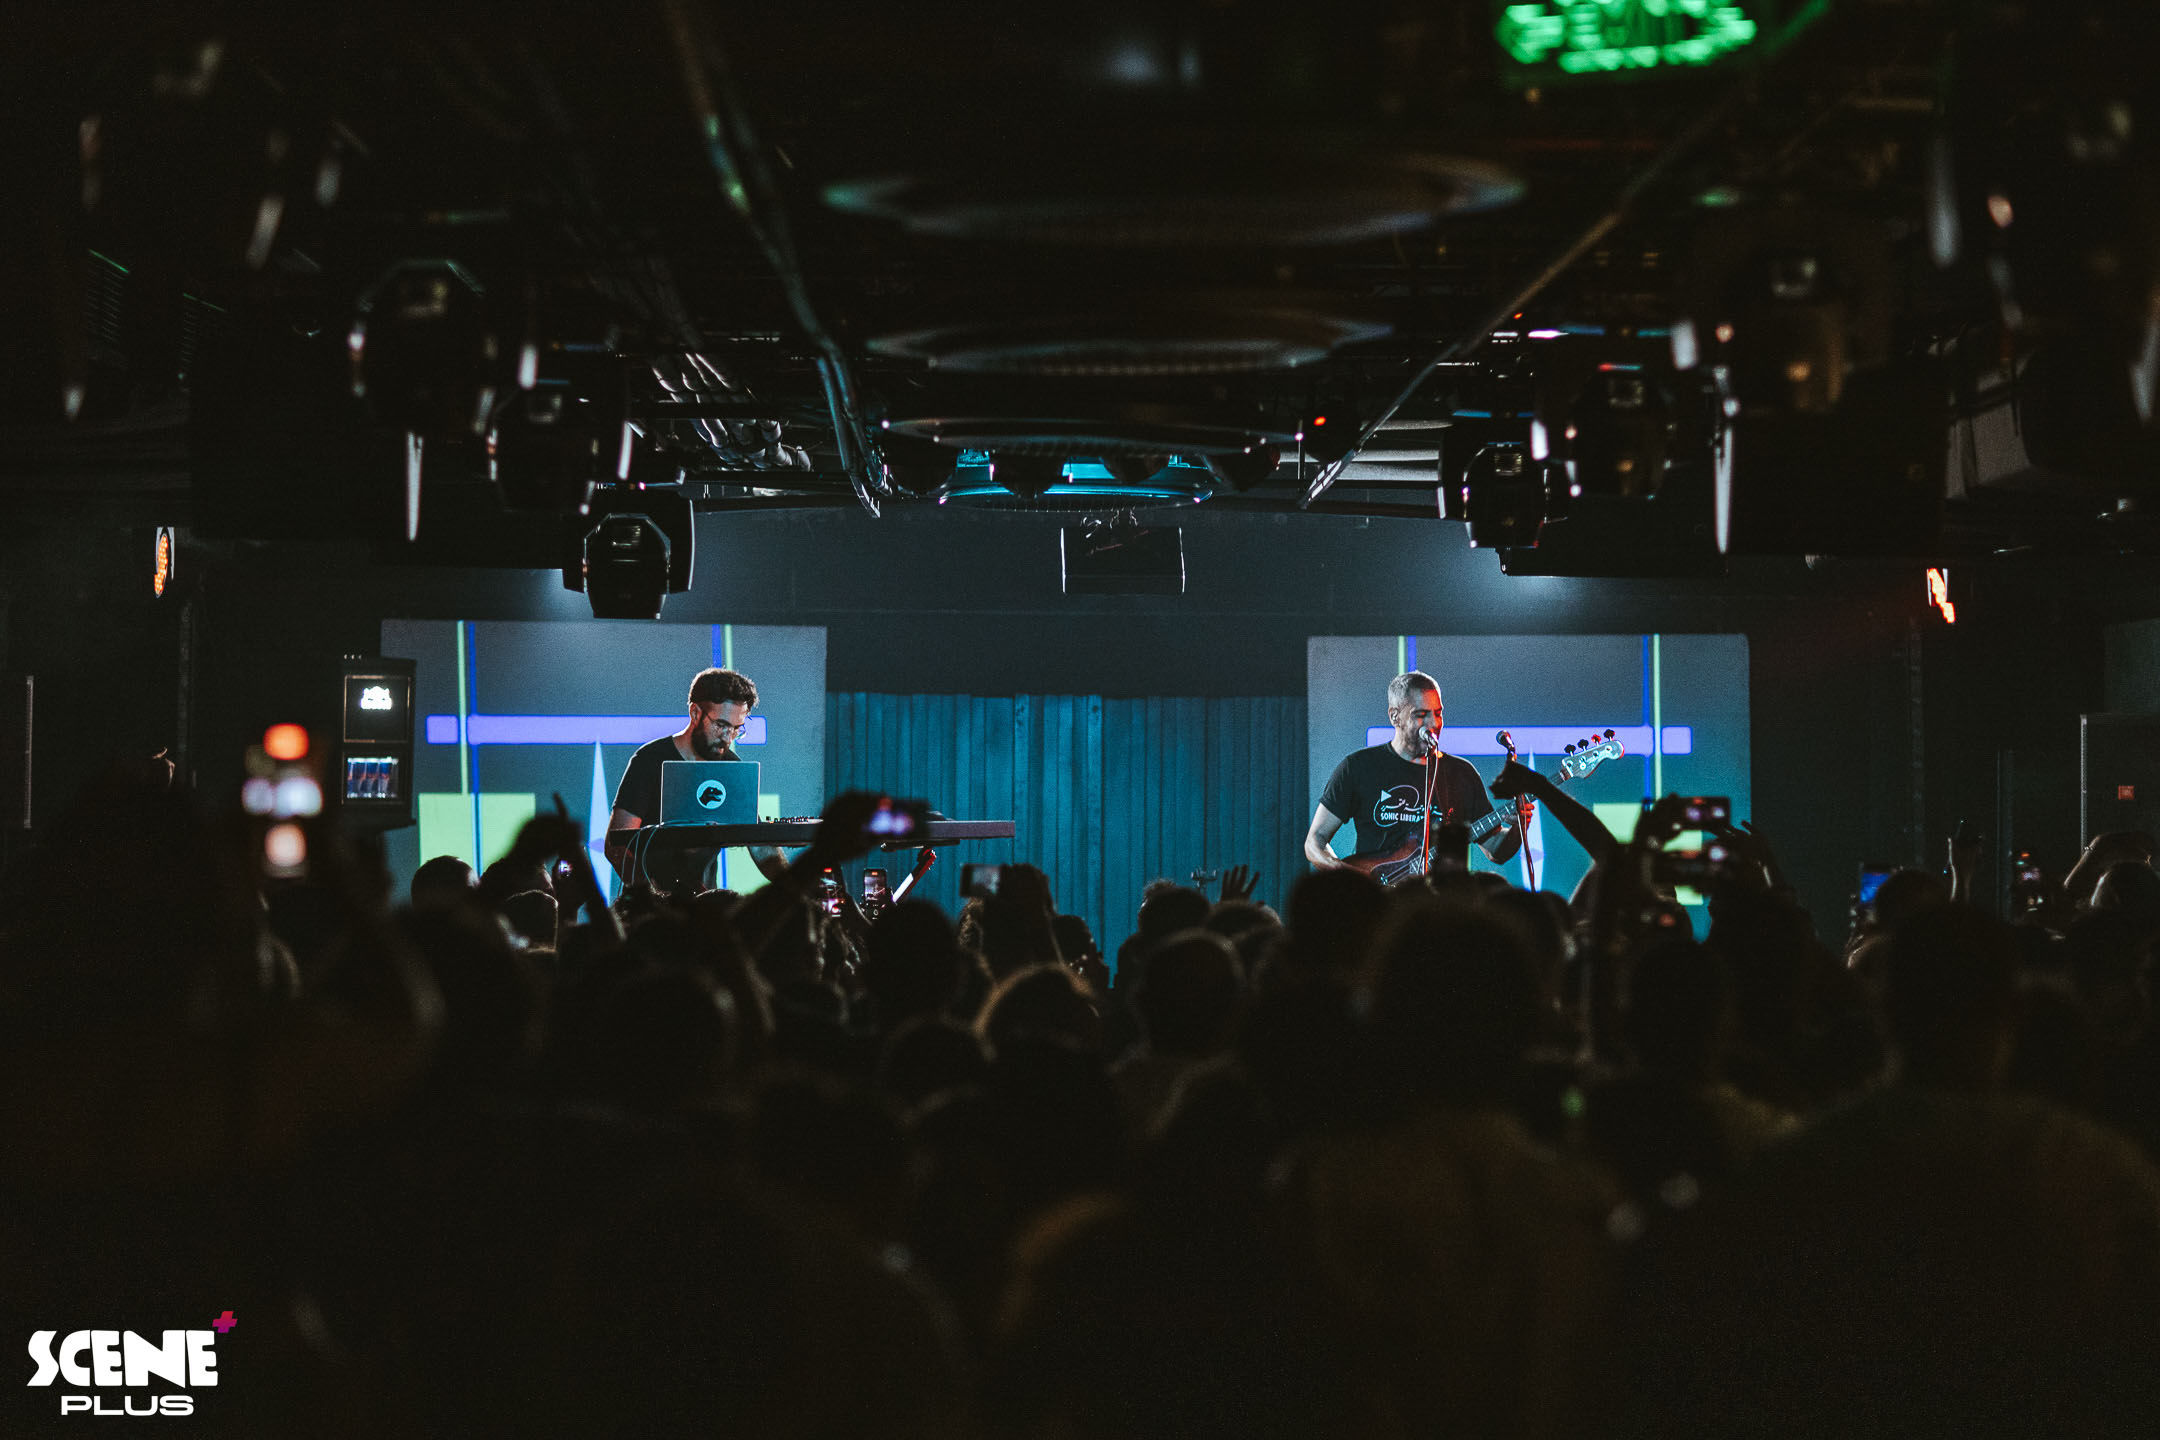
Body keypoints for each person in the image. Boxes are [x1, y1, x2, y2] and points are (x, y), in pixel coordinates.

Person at [1303, 671, 1524, 879]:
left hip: (1436, 901)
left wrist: (1518, 827)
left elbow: (1496, 852)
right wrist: (1352, 879)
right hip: (1377, 902)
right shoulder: (1358, 767)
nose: (1433, 724)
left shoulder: (1461, 774)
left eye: (1438, 713)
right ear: (1394, 716)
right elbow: (1315, 842)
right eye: (1421, 715)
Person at [604, 667, 783, 890]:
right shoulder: (650, 760)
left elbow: (760, 846)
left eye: (737, 729)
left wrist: (794, 886)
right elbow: (616, 845)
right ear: (695, 713)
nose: (728, 738)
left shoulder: (730, 767)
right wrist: (653, 897)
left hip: (704, 905)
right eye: (721, 725)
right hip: (651, 906)